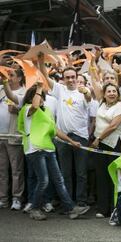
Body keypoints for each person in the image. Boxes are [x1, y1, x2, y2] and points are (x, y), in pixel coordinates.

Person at [17, 83, 90, 220]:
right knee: (43, 180)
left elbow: (55, 130)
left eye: (42, 97)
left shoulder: (47, 111)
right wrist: (39, 88)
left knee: (59, 180)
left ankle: (71, 208)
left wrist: (71, 141)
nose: (40, 99)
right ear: (31, 98)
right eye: (38, 97)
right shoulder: (27, 109)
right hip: (34, 149)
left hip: (48, 148)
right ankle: (35, 207)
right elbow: (34, 106)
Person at [39, 54, 92, 207]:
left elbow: (89, 98)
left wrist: (87, 92)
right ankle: (68, 203)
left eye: (73, 77)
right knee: (65, 173)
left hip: (81, 137)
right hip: (62, 138)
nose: (70, 80)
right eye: (67, 77)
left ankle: (81, 202)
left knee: (81, 173)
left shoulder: (83, 91)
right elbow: (44, 75)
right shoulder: (60, 89)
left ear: (77, 77)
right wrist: (41, 61)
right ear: (63, 79)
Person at [91, 82, 121, 218]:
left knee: (114, 177)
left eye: (114, 91)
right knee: (101, 176)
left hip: (114, 143)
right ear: (104, 95)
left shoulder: (120, 106)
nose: (112, 93)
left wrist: (98, 138)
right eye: (109, 91)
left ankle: (114, 208)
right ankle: (103, 209)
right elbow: (95, 82)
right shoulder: (101, 103)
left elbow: (113, 126)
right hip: (100, 144)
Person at [0, 69, 26, 210]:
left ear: (20, 78)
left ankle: (17, 198)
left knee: (16, 170)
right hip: (0, 135)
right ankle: (3, 199)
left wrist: (18, 110)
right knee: (2, 170)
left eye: (11, 75)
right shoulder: (1, 89)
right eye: (7, 75)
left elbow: (30, 111)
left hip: (14, 136)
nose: (8, 78)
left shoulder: (24, 92)